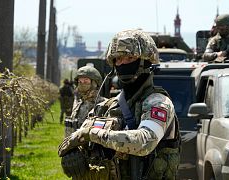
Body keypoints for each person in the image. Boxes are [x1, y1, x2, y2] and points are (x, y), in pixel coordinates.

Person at [58, 29, 181, 179]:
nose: (122, 63)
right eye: (117, 59)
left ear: (145, 60)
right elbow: (81, 138)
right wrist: (73, 154)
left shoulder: (158, 102)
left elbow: (144, 142)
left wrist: (92, 134)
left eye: (129, 57)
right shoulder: (107, 106)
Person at [64, 65, 106, 137]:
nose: (82, 83)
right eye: (80, 81)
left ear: (95, 83)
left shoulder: (104, 104)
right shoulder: (78, 103)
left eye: (86, 80)